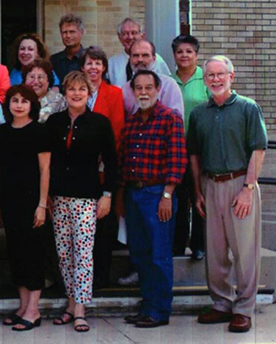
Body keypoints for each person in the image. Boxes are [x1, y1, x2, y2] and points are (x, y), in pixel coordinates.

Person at [190, 56, 268, 333]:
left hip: (240, 185)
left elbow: (258, 149)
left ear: (231, 77)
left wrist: (248, 189)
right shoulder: (199, 113)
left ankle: (244, 308)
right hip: (210, 185)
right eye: (209, 75)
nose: (215, 79)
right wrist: (198, 190)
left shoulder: (248, 108)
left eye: (220, 74)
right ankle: (221, 304)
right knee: (215, 250)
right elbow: (194, 154)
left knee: (245, 251)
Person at [46, 71, 117, 333]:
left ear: (89, 93)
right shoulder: (54, 122)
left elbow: (111, 162)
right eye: (72, 89)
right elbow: (46, 162)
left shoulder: (99, 123)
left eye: (82, 89)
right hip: (59, 198)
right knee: (64, 254)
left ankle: (80, 310)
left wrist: (107, 195)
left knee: (83, 254)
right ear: (64, 93)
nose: (76, 94)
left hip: (88, 198)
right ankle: (69, 303)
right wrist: (46, 197)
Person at [118, 70, 186, 328]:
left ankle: (159, 311)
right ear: (133, 91)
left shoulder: (170, 119)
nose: (143, 92)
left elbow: (177, 160)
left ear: (158, 90)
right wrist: (122, 197)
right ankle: (147, 306)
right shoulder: (132, 121)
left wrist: (167, 195)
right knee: (141, 254)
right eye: (138, 88)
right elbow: (124, 161)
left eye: (149, 87)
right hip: (134, 195)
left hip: (158, 195)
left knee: (159, 256)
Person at [0, 85, 50, 332]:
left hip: (32, 201)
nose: (19, 105)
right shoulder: (3, 131)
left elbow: (45, 169)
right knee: (16, 251)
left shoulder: (39, 131)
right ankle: (22, 306)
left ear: (32, 105)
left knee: (33, 253)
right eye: (15, 100)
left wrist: (42, 204)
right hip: (9, 200)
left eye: (24, 101)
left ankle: (34, 309)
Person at [79, 46, 125, 289]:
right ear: (82, 67)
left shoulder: (114, 93)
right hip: (81, 172)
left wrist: (100, 156)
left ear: (104, 67)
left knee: (104, 226)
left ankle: (101, 279)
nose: (93, 68)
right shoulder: (76, 93)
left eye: (98, 63)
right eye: (89, 63)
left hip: (106, 169)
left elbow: (117, 129)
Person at [170, 34, 210, 260]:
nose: (184, 55)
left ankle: (199, 245)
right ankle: (178, 244)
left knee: (200, 197)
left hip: (200, 149)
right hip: (175, 150)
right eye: (179, 52)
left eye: (189, 51)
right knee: (179, 199)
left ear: (196, 54)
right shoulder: (167, 80)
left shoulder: (205, 79)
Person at [122, 39, 184, 117]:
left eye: (145, 55)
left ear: (154, 59)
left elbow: (176, 119)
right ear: (130, 59)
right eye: (135, 55)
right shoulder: (126, 88)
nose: (140, 59)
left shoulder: (169, 85)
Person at [108, 18, 171, 87]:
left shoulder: (157, 60)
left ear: (142, 36)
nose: (130, 37)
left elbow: (166, 86)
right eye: (125, 34)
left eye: (134, 33)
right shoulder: (112, 63)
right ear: (119, 38)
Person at [22, 59, 66, 123]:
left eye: (40, 77)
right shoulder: (19, 99)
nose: (35, 82)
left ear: (48, 80)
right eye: (31, 77)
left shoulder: (59, 100)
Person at [50, 14, 86, 86]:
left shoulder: (89, 60)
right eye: (65, 32)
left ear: (81, 32)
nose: (68, 36)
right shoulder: (53, 60)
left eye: (72, 32)